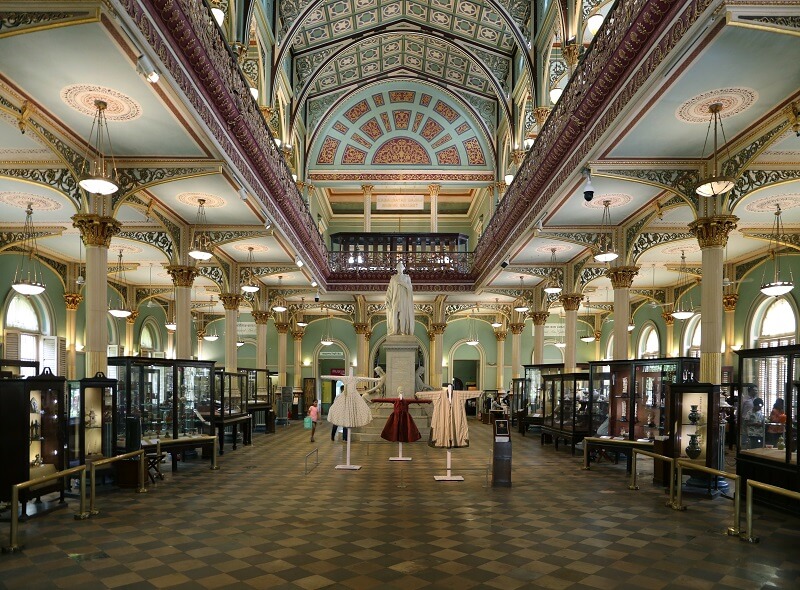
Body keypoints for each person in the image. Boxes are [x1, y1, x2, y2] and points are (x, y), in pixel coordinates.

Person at [386, 260, 414, 335]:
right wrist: (388, 299)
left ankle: (403, 331)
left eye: (401, 267)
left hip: (403, 300)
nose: (400, 268)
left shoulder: (407, 277)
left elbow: (410, 289)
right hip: (395, 299)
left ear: (403, 268)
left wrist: (403, 284)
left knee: (402, 315)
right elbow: (389, 289)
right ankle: (394, 331)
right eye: (398, 267)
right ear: (396, 268)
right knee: (394, 314)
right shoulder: (393, 278)